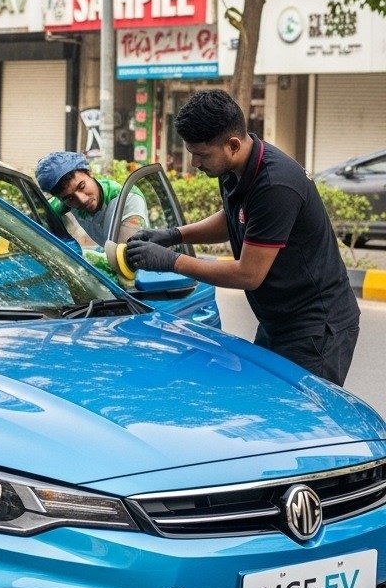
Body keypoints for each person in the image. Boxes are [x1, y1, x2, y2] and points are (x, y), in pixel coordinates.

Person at [125, 89, 360, 386]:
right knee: (264, 406)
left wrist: (171, 261)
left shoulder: (276, 184)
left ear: (232, 144)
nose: (195, 163)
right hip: (278, 321)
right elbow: (233, 217)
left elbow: (248, 274)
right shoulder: (233, 167)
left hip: (315, 328)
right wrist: (173, 235)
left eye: (201, 154)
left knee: (296, 423)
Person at [35, 151, 148, 247]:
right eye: (69, 198)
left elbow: (127, 253)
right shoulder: (64, 205)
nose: (82, 200)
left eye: (82, 186)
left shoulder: (126, 198)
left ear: (89, 173)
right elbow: (41, 220)